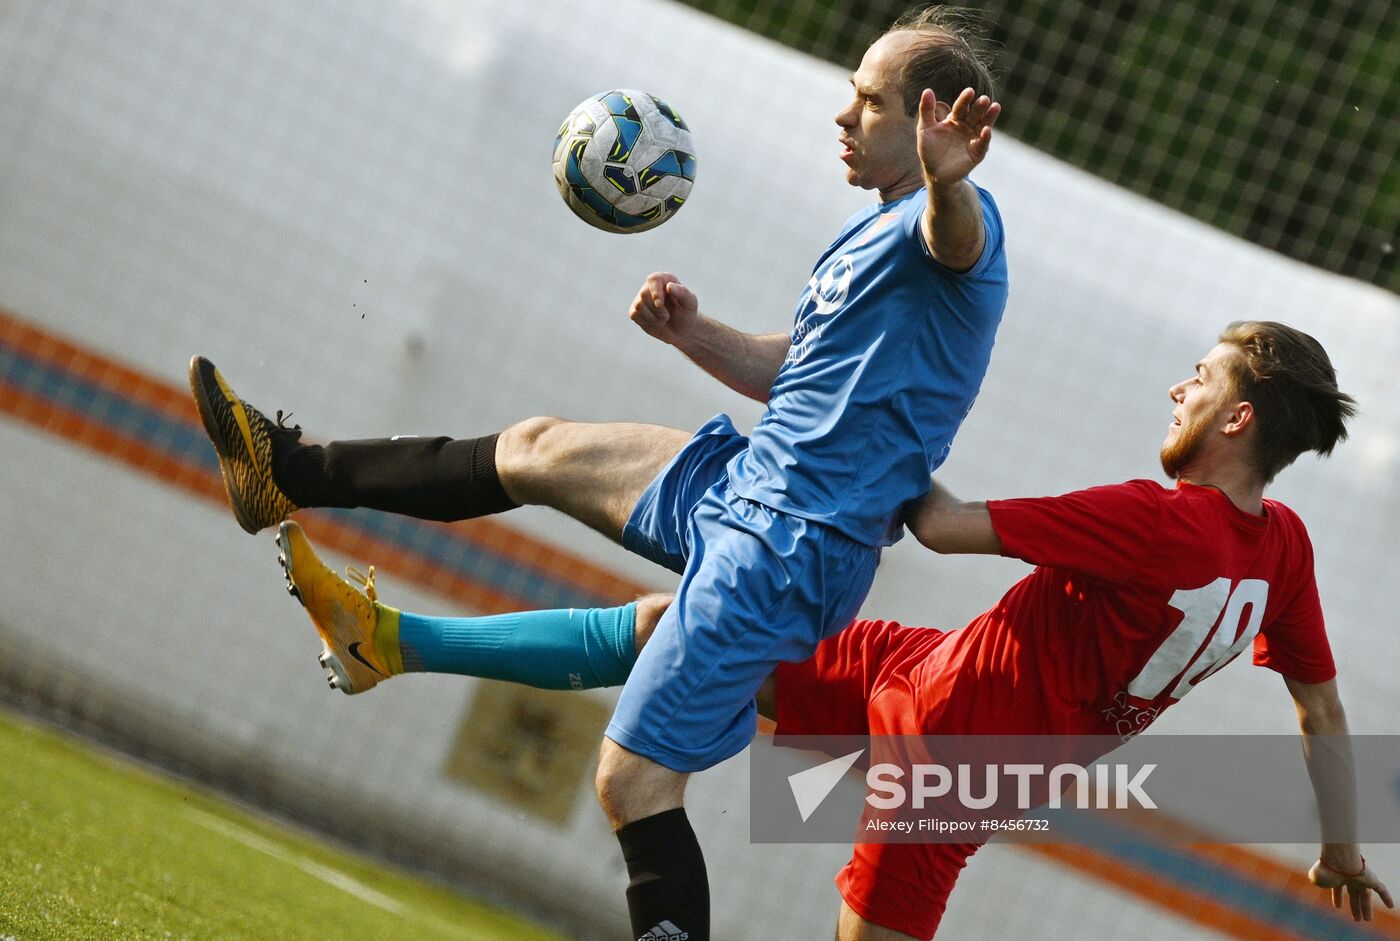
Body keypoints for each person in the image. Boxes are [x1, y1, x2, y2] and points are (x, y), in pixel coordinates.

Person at [189, 8, 1008, 939]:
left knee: (633, 780)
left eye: (869, 100)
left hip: (787, 549)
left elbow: (961, 238)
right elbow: (801, 369)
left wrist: (952, 184)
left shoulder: (954, 230)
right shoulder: (876, 229)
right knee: (541, 447)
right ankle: (283, 471)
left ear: (928, 119)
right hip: (751, 489)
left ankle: (380, 627)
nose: (844, 115)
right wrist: (692, 332)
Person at [273, 322, 1390, 938]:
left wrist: (874, 425)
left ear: (1236, 418)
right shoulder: (1278, 546)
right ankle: (390, 642)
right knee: (684, 622)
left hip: (952, 743)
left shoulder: (1152, 520)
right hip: (946, 685)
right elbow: (1318, 705)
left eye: (1196, 380)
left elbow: (944, 527)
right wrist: (1340, 842)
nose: (1174, 388)